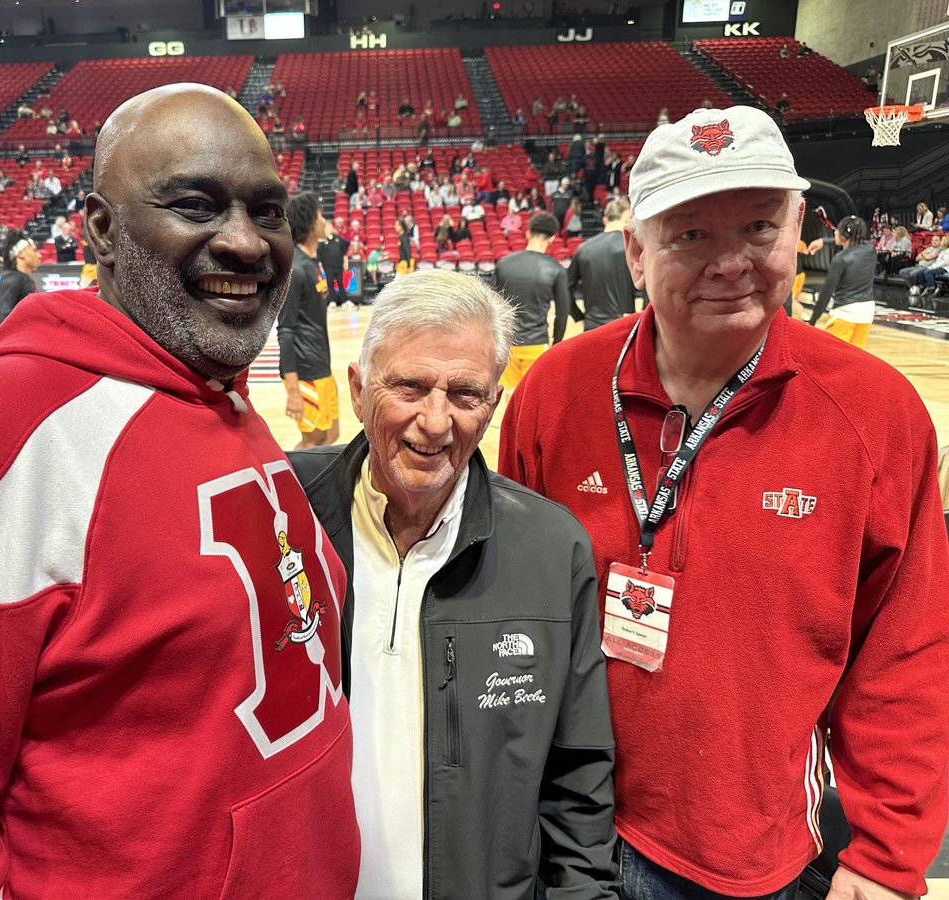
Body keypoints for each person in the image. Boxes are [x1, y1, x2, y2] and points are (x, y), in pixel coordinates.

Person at [0, 83, 359, 898]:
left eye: (267, 211)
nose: (245, 242)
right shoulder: (3, 433)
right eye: (196, 205)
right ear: (101, 228)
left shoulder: (211, 391)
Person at [499, 105, 949, 899]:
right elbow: (514, 617)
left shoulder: (876, 415)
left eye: (757, 227)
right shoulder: (553, 392)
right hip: (567, 831)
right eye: (691, 236)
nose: (731, 262)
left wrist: (885, 855)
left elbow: (906, 651)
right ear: (635, 251)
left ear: (799, 227)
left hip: (756, 856)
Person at [289, 270, 618, 899]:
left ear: (493, 406)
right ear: (358, 390)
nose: (434, 422)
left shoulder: (552, 550)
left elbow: (579, 780)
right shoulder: (280, 514)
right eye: (408, 386)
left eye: (464, 394)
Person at [279, 192, 340, 448]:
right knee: (313, 440)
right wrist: (293, 391)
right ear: (309, 222)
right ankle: (291, 483)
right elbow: (286, 330)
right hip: (304, 370)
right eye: (320, 216)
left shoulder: (314, 263)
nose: (325, 221)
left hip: (321, 363)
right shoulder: (296, 269)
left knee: (331, 434)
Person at [494, 211, 572, 390]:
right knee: (532, 395)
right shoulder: (556, 269)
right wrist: (556, 344)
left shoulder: (503, 264)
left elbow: (494, 306)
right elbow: (562, 314)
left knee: (508, 395)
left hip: (508, 344)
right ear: (552, 238)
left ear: (528, 233)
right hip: (537, 344)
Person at [806, 215, 877, 347]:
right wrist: (824, 241)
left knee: (831, 359)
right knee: (855, 359)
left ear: (843, 235)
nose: (835, 232)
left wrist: (812, 321)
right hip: (866, 313)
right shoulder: (870, 250)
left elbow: (826, 293)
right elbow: (851, 242)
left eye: (837, 230)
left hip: (845, 314)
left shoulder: (840, 259)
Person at [568, 197, 637, 331]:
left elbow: (566, 288)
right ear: (628, 220)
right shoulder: (634, 247)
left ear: (605, 220)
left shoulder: (584, 248)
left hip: (592, 325)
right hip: (625, 324)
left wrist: (578, 316)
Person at [0, 229, 41, 324]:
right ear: (20, 254)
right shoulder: (11, 280)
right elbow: (4, 321)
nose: (39, 255)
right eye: (34, 250)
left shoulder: (24, 279)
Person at [319, 216, 351, 308]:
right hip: (328, 266)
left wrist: (345, 261)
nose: (329, 228)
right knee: (330, 283)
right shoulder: (322, 241)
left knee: (341, 283)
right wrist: (320, 267)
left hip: (338, 265)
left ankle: (344, 301)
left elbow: (344, 249)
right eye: (327, 227)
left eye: (330, 227)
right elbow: (319, 255)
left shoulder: (338, 238)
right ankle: (332, 300)